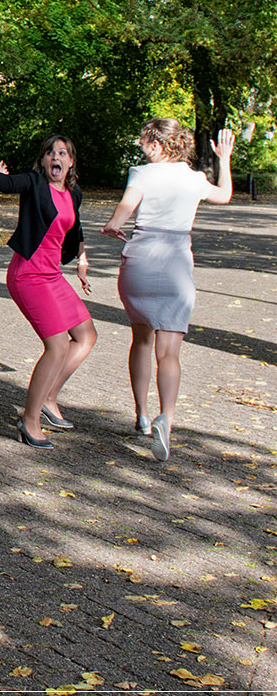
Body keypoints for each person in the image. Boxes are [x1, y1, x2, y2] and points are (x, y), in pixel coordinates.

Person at [100, 120, 235, 461]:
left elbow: (124, 211)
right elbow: (224, 195)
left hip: (141, 262)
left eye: (144, 139)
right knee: (169, 352)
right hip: (176, 264)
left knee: (141, 339)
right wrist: (224, 159)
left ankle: (142, 414)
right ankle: (167, 419)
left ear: (158, 145)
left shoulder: (142, 173)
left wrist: (113, 225)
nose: (140, 143)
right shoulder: (195, 179)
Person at [0, 136, 96, 449]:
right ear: (43, 162)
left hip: (53, 274)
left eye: (62, 153)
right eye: (49, 153)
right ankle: (29, 420)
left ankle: (49, 396)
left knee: (86, 336)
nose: (55, 157)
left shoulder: (74, 192)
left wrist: (82, 261)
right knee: (57, 346)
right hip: (28, 274)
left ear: (70, 162)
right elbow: (9, 183)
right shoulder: (35, 184)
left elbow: (77, 229)